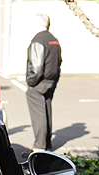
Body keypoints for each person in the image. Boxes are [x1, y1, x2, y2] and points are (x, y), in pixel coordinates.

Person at [25, 14, 62, 151]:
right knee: (46, 111)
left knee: (38, 115)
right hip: (51, 81)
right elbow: (59, 61)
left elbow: (36, 66)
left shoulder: (38, 40)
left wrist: (30, 82)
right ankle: (47, 144)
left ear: (37, 24)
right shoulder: (54, 40)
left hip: (38, 83)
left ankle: (39, 148)